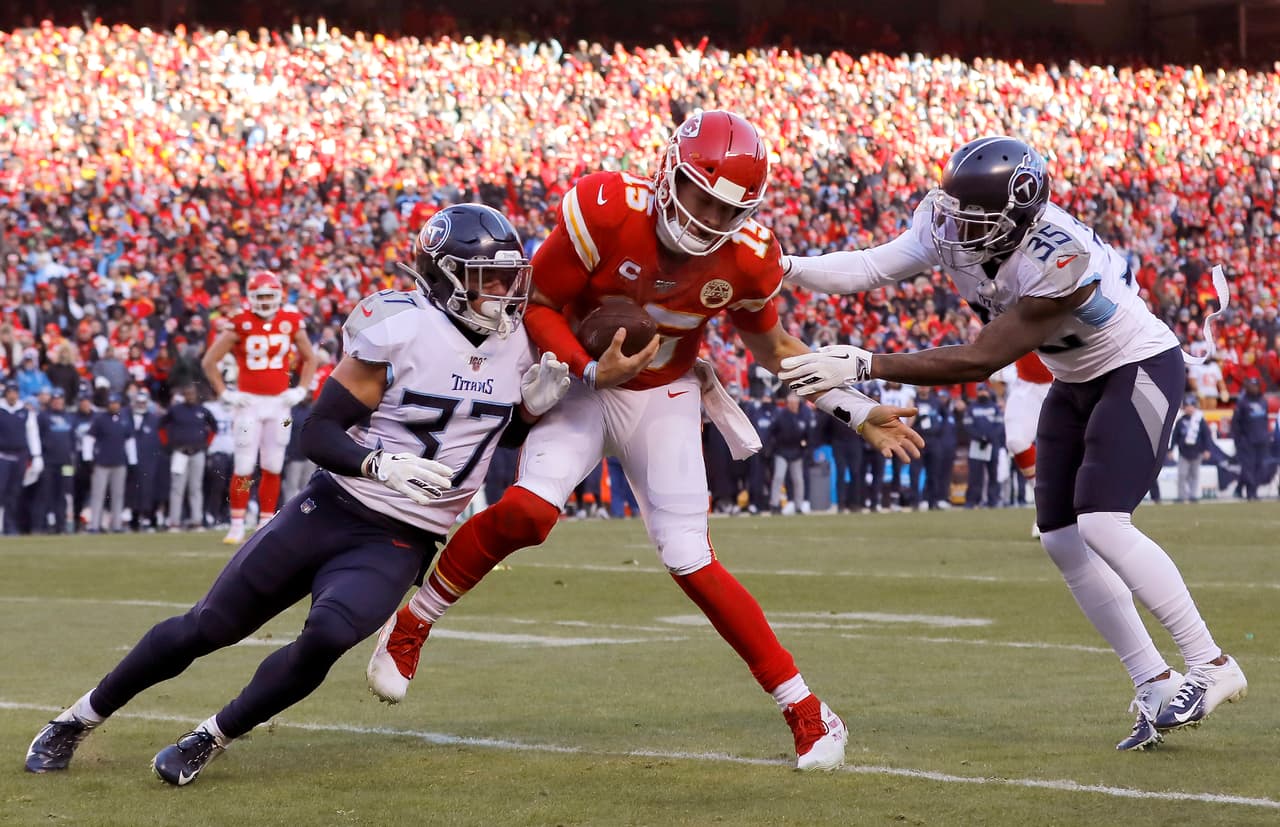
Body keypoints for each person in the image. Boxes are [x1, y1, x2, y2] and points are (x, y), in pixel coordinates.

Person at [365, 110, 923, 772]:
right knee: (528, 511)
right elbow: (538, 303)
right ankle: (413, 623)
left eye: (723, 208)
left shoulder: (747, 258)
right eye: (696, 194)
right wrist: (589, 366)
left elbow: (774, 348)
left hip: (663, 391)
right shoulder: (604, 207)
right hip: (579, 378)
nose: (705, 217)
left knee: (691, 556)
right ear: (668, 172)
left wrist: (856, 410)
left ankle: (807, 711)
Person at [25, 204, 571, 786]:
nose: (503, 291)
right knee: (209, 626)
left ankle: (211, 734)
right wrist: (378, 462)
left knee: (329, 637)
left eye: (509, 276)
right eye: (487, 277)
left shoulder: (519, 345)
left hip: (401, 536)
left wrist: (529, 412)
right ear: (442, 277)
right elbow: (317, 431)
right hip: (334, 505)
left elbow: (487, 432)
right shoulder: (403, 327)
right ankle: (78, 718)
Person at [777, 135, 1247, 750]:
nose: (953, 229)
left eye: (977, 220)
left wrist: (867, 363)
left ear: (1018, 220)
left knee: (1103, 522)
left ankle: (1211, 663)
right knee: (1060, 538)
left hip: (1137, 366)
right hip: (1073, 379)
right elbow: (870, 266)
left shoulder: (1061, 259)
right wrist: (788, 268)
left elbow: (979, 358)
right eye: (954, 211)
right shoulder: (952, 220)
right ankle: (1152, 682)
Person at [202, 270, 318, 544]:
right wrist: (224, 393)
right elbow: (209, 361)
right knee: (243, 465)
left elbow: (310, 359)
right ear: (251, 298)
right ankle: (237, 522)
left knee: (273, 464)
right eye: (260, 296)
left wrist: (301, 388)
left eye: (269, 296)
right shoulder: (240, 322)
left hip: (279, 403)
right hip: (249, 403)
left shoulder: (290, 321)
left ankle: (266, 521)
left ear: (278, 296)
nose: (265, 302)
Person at [1005, 353, 1053, 534]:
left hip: (1066, 378)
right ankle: (1047, 502)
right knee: (1016, 441)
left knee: (1071, 450)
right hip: (1027, 383)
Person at [159, 383, 218, 530]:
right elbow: (161, 427)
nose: (190, 396)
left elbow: (214, 428)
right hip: (180, 452)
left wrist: (206, 444)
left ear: (196, 394)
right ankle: (174, 522)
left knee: (195, 488)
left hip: (197, 452)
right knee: (177, 488)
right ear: (183, 395)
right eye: (187, 394)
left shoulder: (203, 411)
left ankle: (196, 521)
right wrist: (167, 444)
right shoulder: (175, 410)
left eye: (192, 393)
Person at [85, 393, 134, 533]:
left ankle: (117, 525)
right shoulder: (100, 419)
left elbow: (130, 442)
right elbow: (89, 438)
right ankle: (94, 525)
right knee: (98, 495)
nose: (114, 405)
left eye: (116, 403)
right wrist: (88, 458)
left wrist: (132, 461)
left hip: (119, 462)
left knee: (118, 495)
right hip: (102, 462)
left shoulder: (125, 420)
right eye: (112, 403)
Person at [1, 381, 43, 534]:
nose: (13, 395)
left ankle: (10, 525)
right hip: (2, 455)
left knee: (14, 492)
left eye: (15, 392)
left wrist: (37, 455)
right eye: (10, 392)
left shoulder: (25, 411)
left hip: (19, 455)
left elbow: (33, 434)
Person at [34, 388, 75, 533]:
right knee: (45, 494)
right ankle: (40, 526)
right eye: (55, 399)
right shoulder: (43, 416)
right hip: (48, 461)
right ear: (52, 401)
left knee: (63, 494)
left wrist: (72, 460)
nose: (58, 402)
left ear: (63, 400)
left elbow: (73, 440)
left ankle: (61, 526)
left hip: (66, 463)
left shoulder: (70, 417)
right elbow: (36, 437)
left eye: (60, 399)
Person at [960, 384, 1003, 509]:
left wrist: (988, 438)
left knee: (993, 474)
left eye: (984, 391)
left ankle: (993, 501)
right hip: (976, 445)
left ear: (988, 392)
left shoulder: (994, 407)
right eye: (980, 391)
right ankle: (972, 501)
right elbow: (968, 425)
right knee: (975, 475)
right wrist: (980, 438)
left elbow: (999, 426)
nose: (982, 393)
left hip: (992, 444)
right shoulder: (971, 408)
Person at [1230, 376, 1270, 500]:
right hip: (1247, 441)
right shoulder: (1242, 402)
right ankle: (1251, 493)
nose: (1254, 388)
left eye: (1256, 386)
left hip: (1261, 440)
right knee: (1248, 468)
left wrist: (1266, 436)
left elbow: (1265, 420)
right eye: (1251, 386)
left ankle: (1244, 489)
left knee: (1260, 467)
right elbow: (1236, 423)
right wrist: (1238, 440)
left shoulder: (1263, 401)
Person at [1171, 395, 1212, 503]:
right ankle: (1181, 496)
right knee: (1182, 475)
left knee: (1194, 475)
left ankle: (1193, 495)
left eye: (1191, 406)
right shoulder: (1181, 421)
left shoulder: (1200, 420)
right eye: (1187, 406)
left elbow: (1206, 436)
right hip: (1184, 452)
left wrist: (1207, 449)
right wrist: (1171, 449)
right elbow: (1175, 436)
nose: (1189, 408)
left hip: (1197, 451)